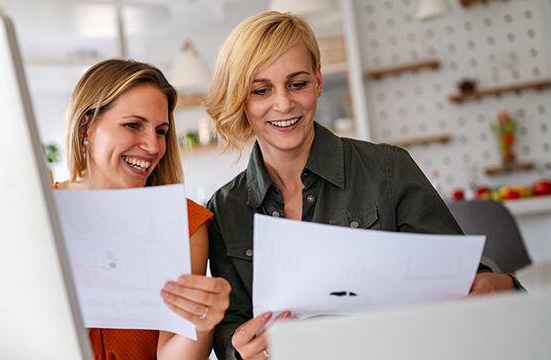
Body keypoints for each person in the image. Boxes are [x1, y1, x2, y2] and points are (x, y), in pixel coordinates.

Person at [202, 11, 522, 360]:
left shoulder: (387, 169)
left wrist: (501, 284)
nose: (284, 103)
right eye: (261, 90)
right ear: (241, 100)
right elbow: (229, 327)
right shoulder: (223, 209)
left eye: (298, 84)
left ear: (319, 81)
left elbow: (465, 281)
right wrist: (236, 347)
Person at [54, 59, 231, 360]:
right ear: (86, 127)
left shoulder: (184, 223)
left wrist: (201, 323)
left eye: (161, 131)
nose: (153, 146)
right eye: (133, 125)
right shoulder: (43, 213)